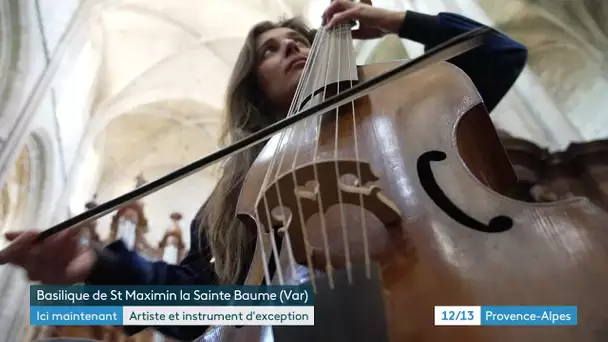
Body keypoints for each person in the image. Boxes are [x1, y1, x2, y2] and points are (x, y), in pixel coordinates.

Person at [0, 1, 528, 340]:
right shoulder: (238, 194)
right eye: (269, 52)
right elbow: (195, 307)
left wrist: (396, 20)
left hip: (466, 302)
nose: (291, 48)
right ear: (254, 89)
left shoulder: (398, 103)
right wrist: (94, 272)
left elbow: (501, 55)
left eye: (299, 41)